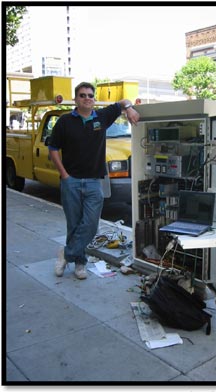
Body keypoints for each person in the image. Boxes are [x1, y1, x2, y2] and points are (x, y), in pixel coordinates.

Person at [48, 82, 140, 279]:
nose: (87, 98)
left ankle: (66, 253)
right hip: (70, 181)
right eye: (82, 95)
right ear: (76, 99)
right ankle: (80, 264)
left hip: (93, 182)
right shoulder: (64, 122)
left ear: (94, 99)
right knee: (74, 225)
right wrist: (64, 174)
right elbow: (53, 149)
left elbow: (123, 102)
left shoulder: (101, 117)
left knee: (91, 225)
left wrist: (130, 108)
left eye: (90, 95)